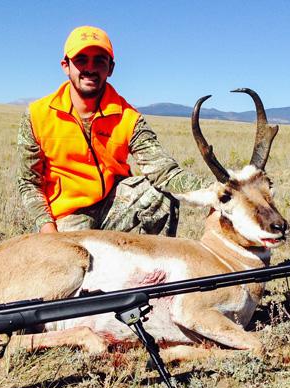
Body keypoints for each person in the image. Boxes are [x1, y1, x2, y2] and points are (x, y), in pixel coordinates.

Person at [16, 25, 201, 236]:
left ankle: (152, 264)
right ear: (65, 65)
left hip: (115, 205)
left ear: (111, 68)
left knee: (161, 194)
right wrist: (48, 231)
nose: (90, 68)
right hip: (67, 217)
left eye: (99, 61)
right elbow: (28, 183)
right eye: (81, 59)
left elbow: (165, 172)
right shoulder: (37, 115)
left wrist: (217, 190)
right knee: (74, 262)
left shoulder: (129, 117)